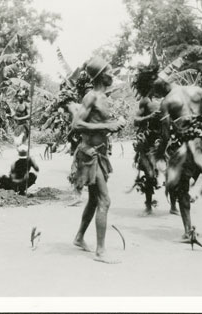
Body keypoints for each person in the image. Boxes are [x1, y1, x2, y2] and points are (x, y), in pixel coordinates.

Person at [152, 58, 202, 241]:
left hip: (187, 149)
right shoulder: (195, 90)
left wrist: (160, 154)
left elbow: (165, 135)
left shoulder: (166, 102)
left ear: (161, 88)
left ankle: (188, 231)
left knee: (182, 190)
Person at [69, 56, 126, 263]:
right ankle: (101, 251)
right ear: (102, 75)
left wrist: (114, 124)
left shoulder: (104, 98)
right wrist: (106, 127)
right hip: (89, 154)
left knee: (94, 199)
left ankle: (79, 237)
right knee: (104, 200)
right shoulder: (91, 97)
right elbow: (76, 125)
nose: (113, 74)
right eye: (110, 71)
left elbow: (100, 124)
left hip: (100, 154)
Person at [131, 65, 179, 215]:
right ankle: (148, 205)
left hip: (167, 139)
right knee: (150, 174)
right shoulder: (145, 101)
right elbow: (135, 120)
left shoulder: (168, 98)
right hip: (150, 141)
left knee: (172, 174)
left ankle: (173, 206)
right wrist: (148, 117)